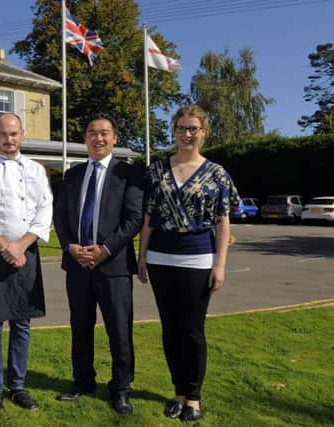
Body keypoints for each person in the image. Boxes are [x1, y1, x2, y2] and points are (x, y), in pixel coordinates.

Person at [137, 105, 239, 422]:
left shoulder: (217, 174)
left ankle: (194, 396)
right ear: (175, 131)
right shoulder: (156, 171)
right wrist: (141, 255)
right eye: (182, 128)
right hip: (160, 258)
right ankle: (178, 391)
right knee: (170, 328)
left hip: (198, 257)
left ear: (203, 132)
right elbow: (148, 218)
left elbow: (223, 223)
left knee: (192, 329)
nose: (187, 134)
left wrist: (219, 264)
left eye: (193, 128)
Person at [53, 113, 143, 415]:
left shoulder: (128, 174)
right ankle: (83, 381)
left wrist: (105, 248)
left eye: (105, 133)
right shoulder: (73, 175)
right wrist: (70, 246)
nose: (98, 138)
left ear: (115, 138)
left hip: (113, 265)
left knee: (119, 329)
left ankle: (120, 388)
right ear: (85, 138)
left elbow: (134, 218)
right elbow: (61, 216)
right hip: (77, 264)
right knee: (80, 327)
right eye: (92, 132)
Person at [0, 112, 53, 411]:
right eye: (3, 134)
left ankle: (17, 386)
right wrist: (6, 246)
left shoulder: (36, 170)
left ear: (22, 134)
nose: (9, 139)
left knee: (22, 322)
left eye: (14, 133)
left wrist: (21, 246)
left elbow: (45, 211)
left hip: (26, 252)